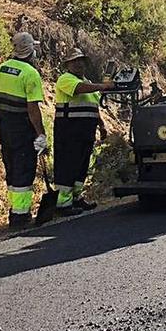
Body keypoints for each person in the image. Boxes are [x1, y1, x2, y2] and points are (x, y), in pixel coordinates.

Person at [0, 32, 46, 227]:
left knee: (10, 165)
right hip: (23, 127)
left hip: (5, 126)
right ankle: (21, 215)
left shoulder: (3, 68)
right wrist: (40, 133)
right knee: (24, 167)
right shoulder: (30, 73)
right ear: (29, 50)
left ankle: (14, 210)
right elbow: (33, 109)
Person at [53, 49, 115, 217]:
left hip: (85, 131)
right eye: (74, 61)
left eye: (81, 60)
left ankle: (76, 198)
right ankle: (62, 204)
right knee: (68, 165)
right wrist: (103, 86)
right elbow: (80, 89)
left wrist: (101, 125)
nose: (79, 64)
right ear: (67, 64)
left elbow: (93, 107)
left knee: (82, 165)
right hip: (68, 130)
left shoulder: (87, 82)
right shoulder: (66, 79)